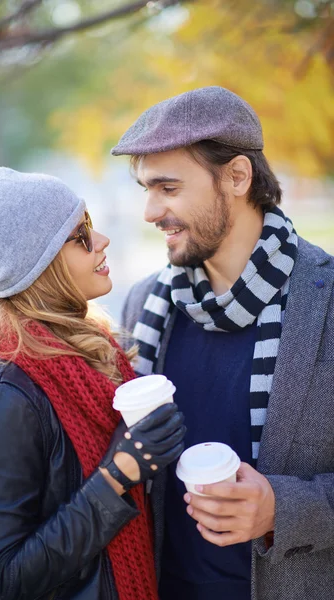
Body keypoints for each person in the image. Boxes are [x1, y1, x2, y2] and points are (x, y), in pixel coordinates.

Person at [111, 86, 334, 600]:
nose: (149, 211)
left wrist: (284, 508)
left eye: (167, 188)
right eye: (146, 188)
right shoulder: (145, 304)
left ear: (237, 176)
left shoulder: (324, 301)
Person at [0, 167, 186, 600]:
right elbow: (7, 579)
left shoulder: (94, 351)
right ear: (40, 264)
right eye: (80, 235)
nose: (102, 241)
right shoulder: (6, 396)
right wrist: (118, 473)